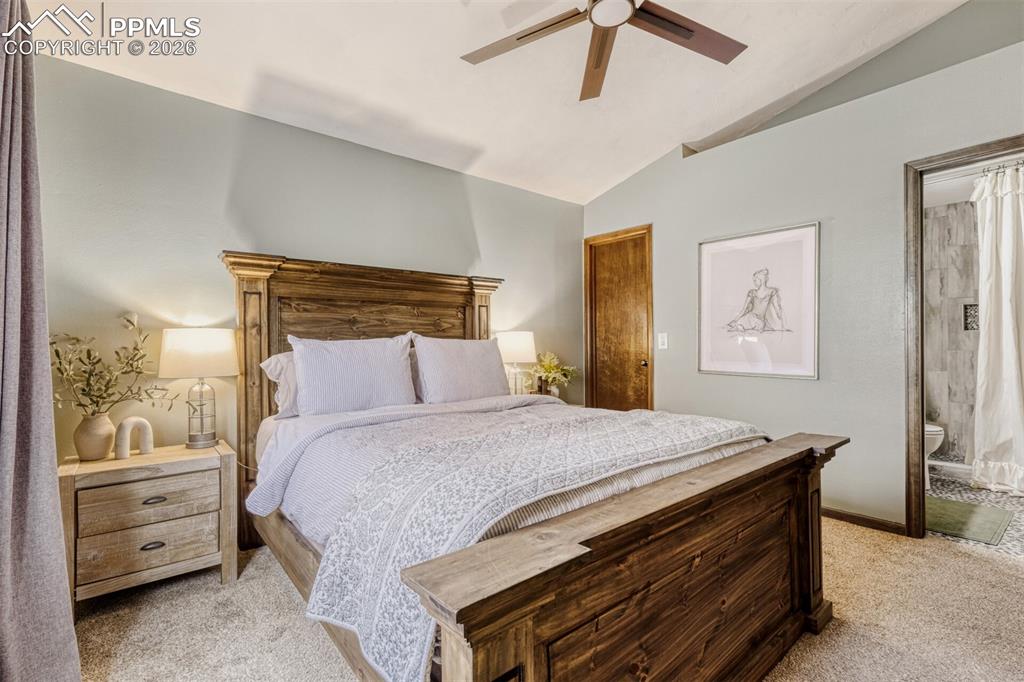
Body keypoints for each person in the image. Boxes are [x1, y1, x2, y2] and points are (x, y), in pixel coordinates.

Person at [726, 267, 785, 332]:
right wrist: (735, 320)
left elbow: (777, 309)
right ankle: (740, 326)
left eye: (755, 280)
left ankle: (739, 326)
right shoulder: (753, 292)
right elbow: (744, 309)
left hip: (756, 320)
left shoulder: (770, 292)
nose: (754, 282)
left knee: (746, 324)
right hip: (755, 320)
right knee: (746, 322)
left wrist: (735, 320)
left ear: (761, 280)